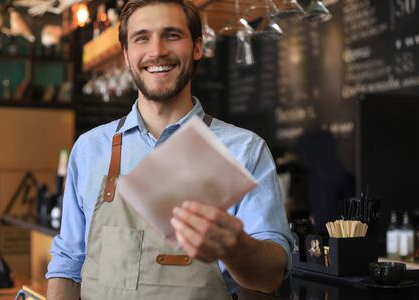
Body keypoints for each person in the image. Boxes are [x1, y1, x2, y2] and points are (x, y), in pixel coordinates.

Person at [46, 0, 293, 298]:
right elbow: (68, 264)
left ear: (197, 48)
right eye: (142, 38)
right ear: (126, 55)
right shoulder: (89, 149)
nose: (157, 50)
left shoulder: (244, 150)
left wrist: (237, 247)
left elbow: (271, 277)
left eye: (172, 35)